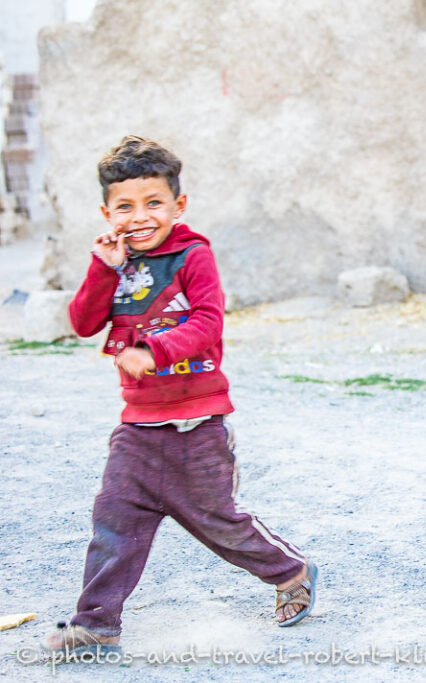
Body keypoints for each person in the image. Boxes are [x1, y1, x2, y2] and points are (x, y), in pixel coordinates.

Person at [47, 136, 318, 657]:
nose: (140, 215)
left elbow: (208, 322)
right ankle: (96, 625)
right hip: (138, 425)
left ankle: (292, 571)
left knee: (216, 521)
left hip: (198, 421)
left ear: (178, 205)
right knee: (114, 519)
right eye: (125, 206)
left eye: (153, 203)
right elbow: (83, 323)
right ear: (108, 212)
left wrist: (152, 350)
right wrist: (102, 269)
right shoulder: (117, 262)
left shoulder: (194, 254)